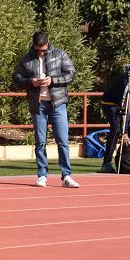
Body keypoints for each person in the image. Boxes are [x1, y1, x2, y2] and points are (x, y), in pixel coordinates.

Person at [12, 31, 79, 188]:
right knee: (40, 141)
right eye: (37, 49)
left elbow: (71, 74)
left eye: (43, 48)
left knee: (63, 141)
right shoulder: (26, 58)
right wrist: (31, 82)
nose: (40, 52)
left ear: (48, 44)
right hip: (38, 104)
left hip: (58, 103)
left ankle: (66, 176)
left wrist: (53, 80)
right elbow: (17, 78)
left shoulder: (60, 54)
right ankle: (42, 175)